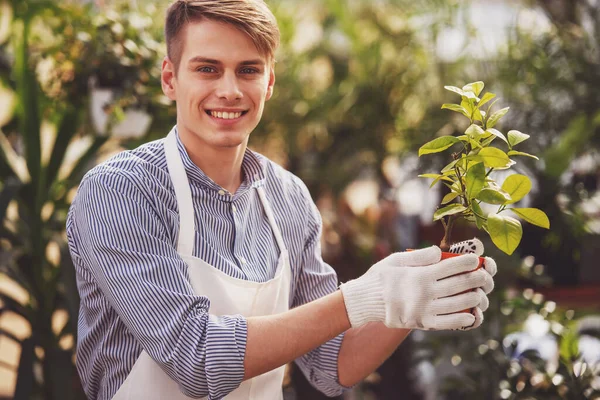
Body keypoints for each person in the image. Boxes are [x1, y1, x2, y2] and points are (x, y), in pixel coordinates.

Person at [66, 1, 497, 399]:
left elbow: (334, 364)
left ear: (269, 81)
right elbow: (194, 358)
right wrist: (363, 298)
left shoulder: (288, 198)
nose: (230, 90)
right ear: (170, 79)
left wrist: (413, 298)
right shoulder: (120, 191)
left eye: (248, 70)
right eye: (208, 69)